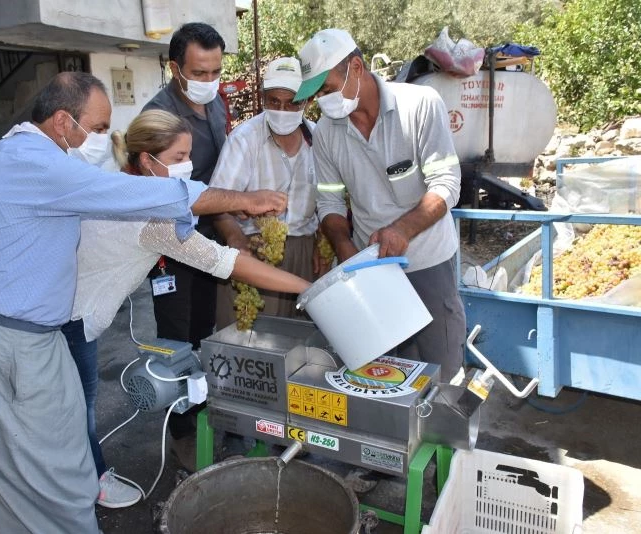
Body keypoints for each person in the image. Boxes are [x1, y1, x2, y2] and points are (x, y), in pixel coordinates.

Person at [0, 71, 287, 534]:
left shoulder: (1, 156)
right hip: (11, 340)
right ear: (64, 122)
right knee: (52, 473)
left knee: (24, 463)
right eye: (100, 128)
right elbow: (149, 198)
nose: (107, 139)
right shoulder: (38, 165)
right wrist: (245, 199)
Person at [62, 110, 311, 508]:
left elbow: (195, 197)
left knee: (76, 406)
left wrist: (240, 206)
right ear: (148, 161)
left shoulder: (121, 185)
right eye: (178, 157)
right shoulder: (152, 215)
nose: (187, 166)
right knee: (76, 411)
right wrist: (307, 288)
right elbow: (225, 262)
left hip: (75, 312)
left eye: (188, 154)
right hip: (68, 319)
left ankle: (88, 477)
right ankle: (87, 485)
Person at [293, 29, 466, 491]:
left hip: (427, 257)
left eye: (326, 90)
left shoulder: (419, 105)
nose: (322, 103)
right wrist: (344, 246)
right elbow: (329, 203)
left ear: (355, 67)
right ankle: (380, 457)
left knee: (440, 365)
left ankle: (449, 470)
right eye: (316, 96)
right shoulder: (328, 133)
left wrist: (405, 229)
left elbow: (447, 184)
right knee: (381, 370)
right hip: (371, 266)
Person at [141, 22, 228, 467]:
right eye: (200, 71)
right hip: (169, 245)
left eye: (215, 71)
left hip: (208, 236)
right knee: (175, 337)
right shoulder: (159, 117)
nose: (209, 81)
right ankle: (180, 431)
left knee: (203, 331)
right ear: (175, 68)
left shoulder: (216, 104)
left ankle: (202, 409)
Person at [210, 56, 325, 330]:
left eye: (292, 103)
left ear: (306, 102)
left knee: (299, 339)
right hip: (255, 251)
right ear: (263, 99)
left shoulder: (319, 140)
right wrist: (236, 240)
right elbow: (216, 203)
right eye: (274, 101)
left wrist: (322, 242)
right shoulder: (245, 139)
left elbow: (330, 198)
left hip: (305, 252)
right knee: (252, 341)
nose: (282, 110)